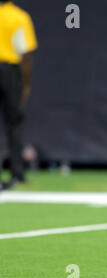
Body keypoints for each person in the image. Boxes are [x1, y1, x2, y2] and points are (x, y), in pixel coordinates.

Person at [0, 0, 37, 190]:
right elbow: (25, 54)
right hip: (9, 71)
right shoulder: (19, 17)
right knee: (14, 122)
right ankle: (17, 172)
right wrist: (26, 83)